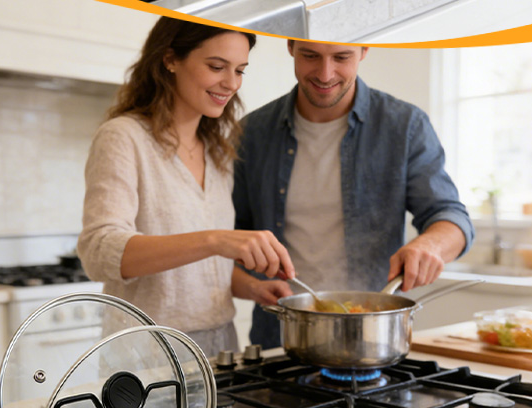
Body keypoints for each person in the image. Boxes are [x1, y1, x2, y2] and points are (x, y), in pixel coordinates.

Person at [233, 41, 475, 349]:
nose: (325, 73)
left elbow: (452, 217)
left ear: (364, 50)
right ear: (291, 47)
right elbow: (231, 239)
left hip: (375, 341)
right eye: (310, 56)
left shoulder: (404, 126)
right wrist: (251, 284)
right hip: (279, 338)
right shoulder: (252, 133)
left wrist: (431, 244)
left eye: (341, 57)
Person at [78, 18, 295, 356]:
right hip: (147, 354)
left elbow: (200, 269)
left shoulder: (217, 150)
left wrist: (253, 287)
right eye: (216, 66)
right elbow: (99, 253)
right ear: (170, 59)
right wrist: (216, 239)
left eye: (240, 70)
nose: (231, 83)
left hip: (219, 349)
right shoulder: (124, 137)